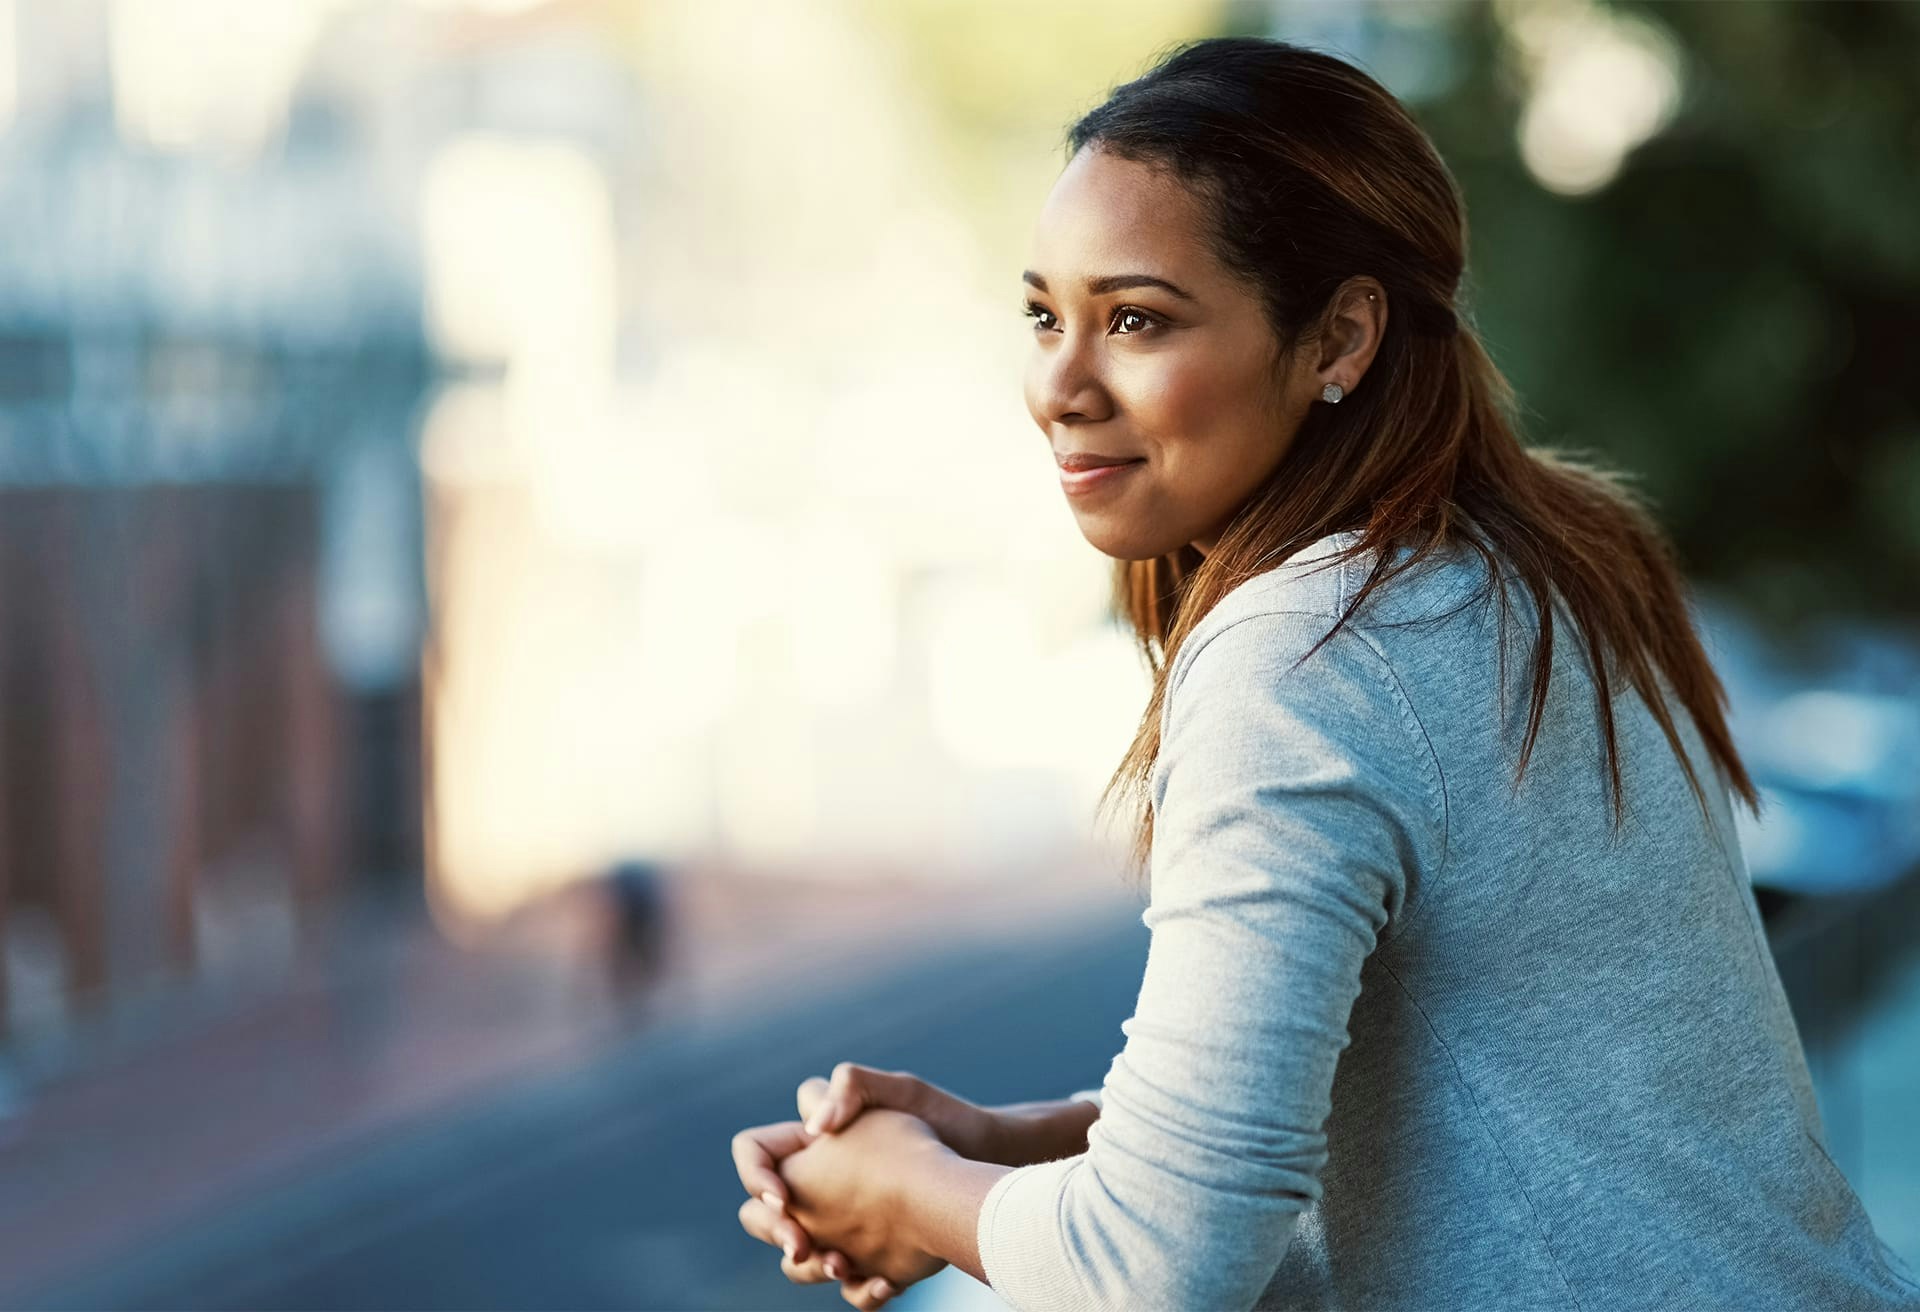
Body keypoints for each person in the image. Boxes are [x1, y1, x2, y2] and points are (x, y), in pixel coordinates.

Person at [727, 35, 1920, 1312]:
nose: (1058, 386)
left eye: (1135, 319)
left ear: (1340, 336)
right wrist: (1016, 1147)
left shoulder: (1307, 657)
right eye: (1043, 315)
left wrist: (907, 1190)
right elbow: (1458, 1089)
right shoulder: (1534, 565)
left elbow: (1152, 1272)